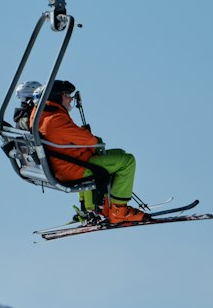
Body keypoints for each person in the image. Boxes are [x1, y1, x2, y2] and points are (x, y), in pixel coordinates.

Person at [29, 79, 147, 225]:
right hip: (73, 169)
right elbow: (90, 141)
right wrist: (92, 140)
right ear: (56, 96)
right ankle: (119, 212)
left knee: (118, 153)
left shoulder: (41, 115)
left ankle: (106, 206)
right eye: (67, 94)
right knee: (127, 161)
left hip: (65, 163)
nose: (70, 98)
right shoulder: (55, 120)